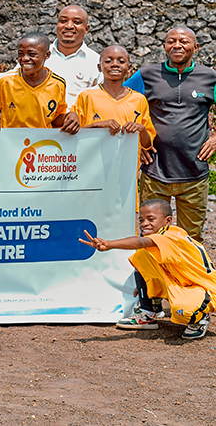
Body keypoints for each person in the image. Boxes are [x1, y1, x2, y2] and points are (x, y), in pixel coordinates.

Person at [125, 26, 216, 244]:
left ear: (196, 47)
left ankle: (187, 268)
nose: (177, 45)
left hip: (194, 172)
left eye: (183, 41)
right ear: (165, 46)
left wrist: (215, 138)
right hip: (155, 171)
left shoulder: (210, 77)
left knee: (191, 239)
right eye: (171, 41)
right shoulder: (146, 75)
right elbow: (121, 101)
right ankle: (154, 269)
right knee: (152, 236)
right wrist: (136, 141)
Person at [80, 199, 214, 340]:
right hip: (182, 284)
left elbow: (141, 241)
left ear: (168, 221)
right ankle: (148, 312)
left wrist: (109, 244)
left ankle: (200, 319)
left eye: (151, 219)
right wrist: (146, 284)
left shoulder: (172, 234)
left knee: (182, 311)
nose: (144, 224)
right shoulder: (161, 239)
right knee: (142, 255)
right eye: (141, 220)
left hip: (205, 289)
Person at [0, 32, 80, 134]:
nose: (25, 59)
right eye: (21, 54)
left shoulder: (58, 84)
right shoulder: (6, 81)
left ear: (47, 55)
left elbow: (55, 119)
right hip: (11, 143)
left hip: (42, 143)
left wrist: (70, 117)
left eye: (32, 54)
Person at [73, 45, 154, 150]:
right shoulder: (86, 96)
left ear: (129, 68)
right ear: (99, 67)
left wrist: (141, 129)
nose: (115, 64)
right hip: (93, 159)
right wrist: (97, 126)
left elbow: (147, 144)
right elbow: (73, 135)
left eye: (121, 61)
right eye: (108, 61)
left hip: (127, 160)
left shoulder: (139, 99)